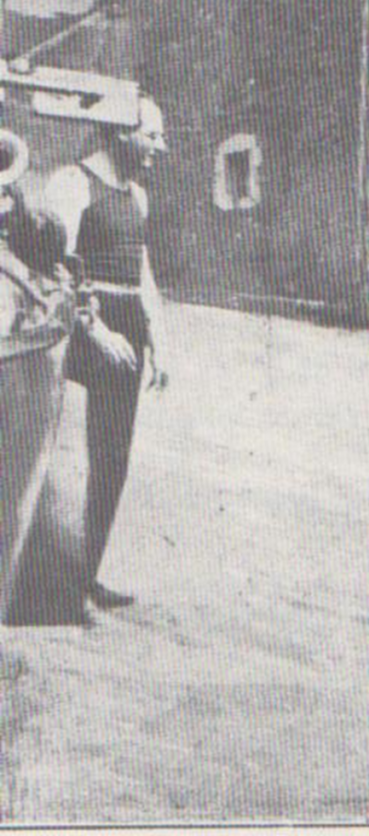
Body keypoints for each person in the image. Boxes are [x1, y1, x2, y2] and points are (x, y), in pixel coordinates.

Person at [44, 95, 169, 611]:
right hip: (83, 327)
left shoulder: (137, 195)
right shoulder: (73, 183)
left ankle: (83, 577)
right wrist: (95, 330)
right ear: (120, 130)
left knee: (112, 458)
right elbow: (55, 268)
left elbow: (143, 274)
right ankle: (48, 582)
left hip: (127, 331)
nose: (161, 147)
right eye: (153, 135)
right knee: (59, 457)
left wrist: (158, 339)